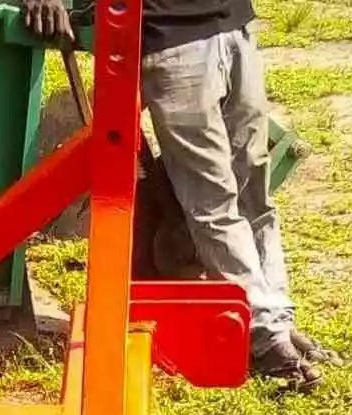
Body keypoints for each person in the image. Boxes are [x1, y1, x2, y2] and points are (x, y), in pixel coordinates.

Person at [20, 0, 332, 390]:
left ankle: (276, 321)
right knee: (212, 198)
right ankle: (264, 336)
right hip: (172, 41)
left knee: (255, 194)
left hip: (234, 26)